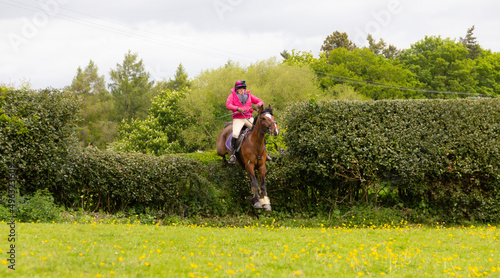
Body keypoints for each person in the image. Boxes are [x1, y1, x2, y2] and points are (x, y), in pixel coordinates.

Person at [226, 80, 270, 164]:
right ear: (236, 89)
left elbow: (261, 101)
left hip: (248, 118)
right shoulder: (232, 96)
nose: (242, 90)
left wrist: (258, 105)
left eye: (243, 88)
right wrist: (237, 109)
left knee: (260, 132)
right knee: (235, 134)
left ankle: (265, 152)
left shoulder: (249, 95)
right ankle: (233, 154)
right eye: (240, 88)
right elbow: (228, 105)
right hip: (238, 118)